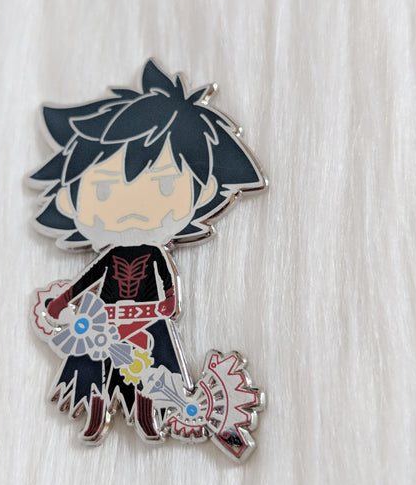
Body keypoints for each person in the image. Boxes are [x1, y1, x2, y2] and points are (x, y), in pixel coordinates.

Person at [28, 59, 265, 444]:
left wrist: (158, 308)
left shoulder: (157, 255)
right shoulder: (109, 256)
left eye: (164, 186)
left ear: (204, 191)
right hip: (102, 325)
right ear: (70, 202)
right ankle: (97, 414)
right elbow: (86, 281)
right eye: (104, 189)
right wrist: (61, 303)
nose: (131, 207)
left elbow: (170, 295)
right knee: (94, 374)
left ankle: (148, 417)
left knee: (150, 376)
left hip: (147, 326)